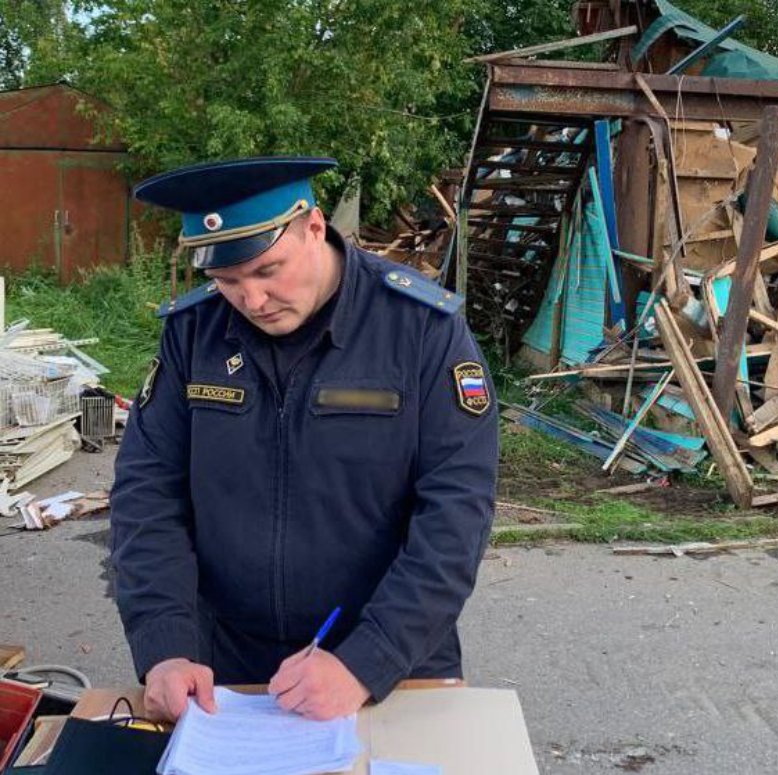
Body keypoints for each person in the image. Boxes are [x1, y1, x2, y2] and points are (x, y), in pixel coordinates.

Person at [110, 156, 498, 723]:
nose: (253, 300)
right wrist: (165, 645)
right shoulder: (194, 334)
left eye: (268, 271)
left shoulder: (421, 329)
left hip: (390, 662)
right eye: (226, 282)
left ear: (315, 227)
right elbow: (147, 493)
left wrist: (367, 660)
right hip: (224, 667)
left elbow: (456, 513)